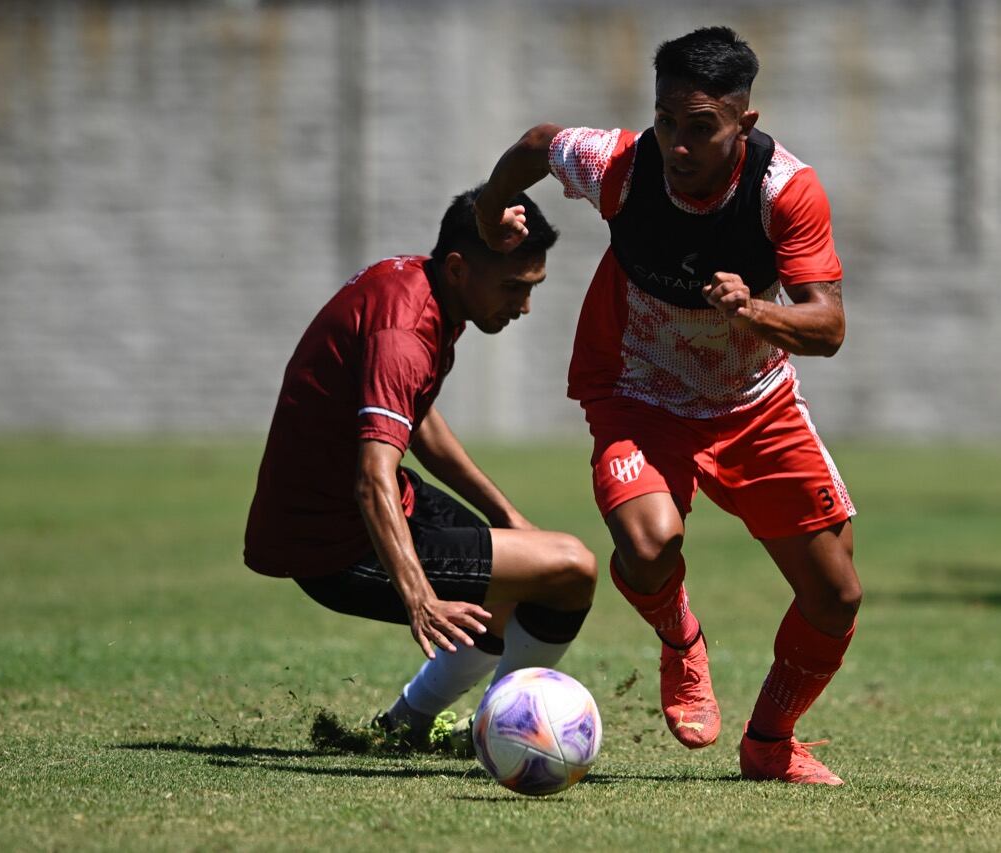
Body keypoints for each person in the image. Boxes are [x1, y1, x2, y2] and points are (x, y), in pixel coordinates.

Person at [474, 26, 861, 785]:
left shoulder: (786, 191)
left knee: (836, 594)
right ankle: (681, 640)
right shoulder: (619, 165)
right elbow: (536, 143)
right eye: (665, 121)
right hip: (637, 389)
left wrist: (754, 313)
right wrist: (493, 209)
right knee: (648, 545)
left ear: (742, 125)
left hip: (755, 403)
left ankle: (770, 743)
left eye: (700, 128)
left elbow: (830, 325)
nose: (677, 145)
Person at [243, 186, 597, 752]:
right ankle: (507, 735)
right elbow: (370, 477)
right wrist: (419, 599)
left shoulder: (416, 282)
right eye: (513, 288)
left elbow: (417, 419)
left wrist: (505, 515)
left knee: (520, 575)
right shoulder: (406, 332)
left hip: (361, 511)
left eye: (532, 289)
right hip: (333, 546)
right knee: (570, 570)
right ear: (460, 268)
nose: (524, 307)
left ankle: (402, 728)